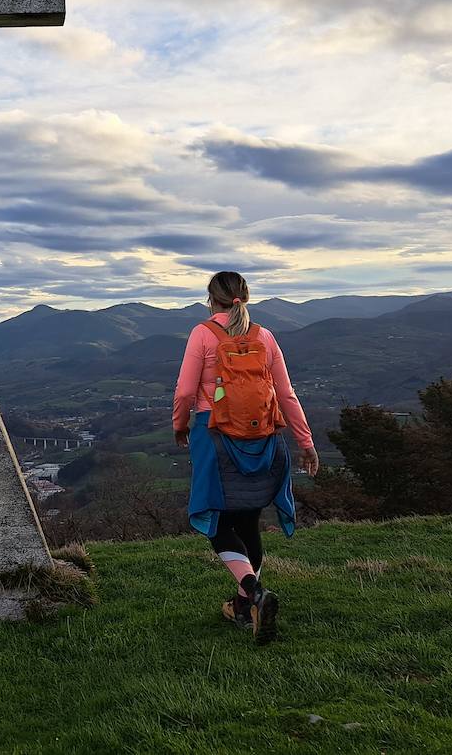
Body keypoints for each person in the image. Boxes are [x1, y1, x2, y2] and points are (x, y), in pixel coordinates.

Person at [173, 270, 319, 643]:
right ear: (245, 297)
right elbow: (286, 394)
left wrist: (180, 425)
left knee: (218, 522)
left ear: (211, 299)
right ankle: (243, 605)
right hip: (265, 439)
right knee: (249, 522)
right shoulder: (265, 336)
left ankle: (253, 592)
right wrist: (306, 441)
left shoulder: (203, 333)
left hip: (217, 437)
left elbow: (186, 390)